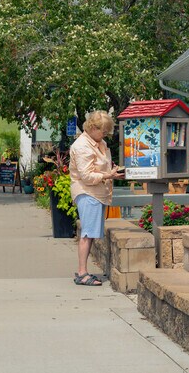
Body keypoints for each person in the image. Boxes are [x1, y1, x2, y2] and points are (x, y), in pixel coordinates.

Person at [69, 110, 124, 286]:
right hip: (88, 192)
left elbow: (100, 166)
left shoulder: (98, 142)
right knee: (87, 233)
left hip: (95, 193)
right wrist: (109, 175)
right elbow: (87, 176)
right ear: (93, 128)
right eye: (103, 131)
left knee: (90, 233)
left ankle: (82, 271)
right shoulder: (82, 146)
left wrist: (111, 171)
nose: (105, 135)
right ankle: (82, 273)